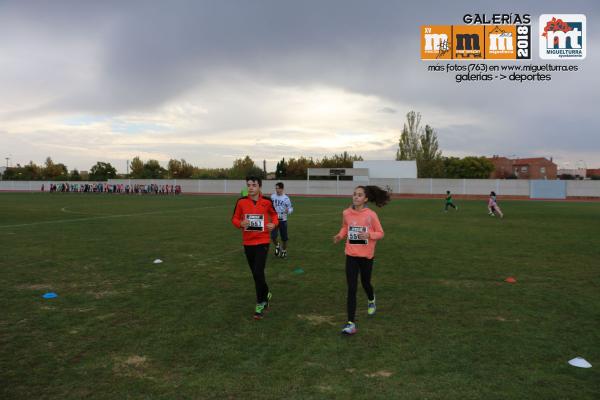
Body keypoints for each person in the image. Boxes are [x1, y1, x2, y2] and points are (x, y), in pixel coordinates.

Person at [333, 185, 390, 335]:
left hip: (366, 256)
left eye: (359, 195)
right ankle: (350, 323)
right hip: (351, 255)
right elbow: (345, 227)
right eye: (354, 194)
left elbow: (381, 233)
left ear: (365, 199)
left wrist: (369, 235)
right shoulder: (346, 213)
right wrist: (340, 235)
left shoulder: (371, 215)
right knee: (351, 288)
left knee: (365, 283)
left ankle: (371, 299)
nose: (355, 197)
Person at [232, 176, 279, 319]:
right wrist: (240, 224)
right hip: (248, 243)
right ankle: (266, 293)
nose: (251, 187)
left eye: (253, 185)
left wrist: (274, 224)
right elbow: (234, 219)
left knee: (258, 272)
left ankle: (260, 304)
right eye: (248, 185)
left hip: (263, 241)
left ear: (259, 187)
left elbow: (275, 215)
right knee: (256, 274)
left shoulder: (267, 201)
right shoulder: (241, 202)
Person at [270, 182, 293, 258]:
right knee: (273, 237)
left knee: (284, 238)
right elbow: (269, 206)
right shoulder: (272, 197)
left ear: (282, 189)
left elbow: (291, 208)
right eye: (276, 188)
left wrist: (288, 211)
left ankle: (284, 251)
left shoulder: (286, 198)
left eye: (278, 188)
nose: (277, 190)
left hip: (283, 220)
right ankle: (277, 246)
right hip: (274, 220)